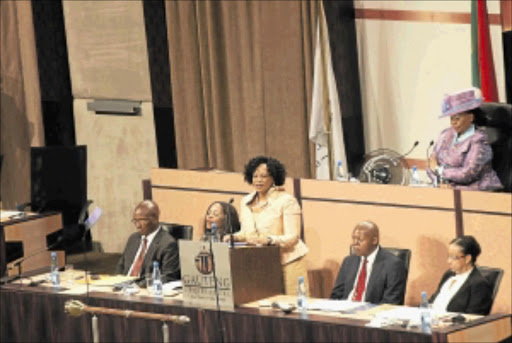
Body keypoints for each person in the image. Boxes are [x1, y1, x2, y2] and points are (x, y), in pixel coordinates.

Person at [225, 156, 309, 295]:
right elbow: (248, 233)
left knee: (293, 306)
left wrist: (268, 240)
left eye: (264, 176)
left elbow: (293, 237)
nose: (258, 180)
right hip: (261, 263)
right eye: (255, 176)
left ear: (274, 178)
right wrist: (233, 238)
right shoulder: (246, 201)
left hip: (288, 261)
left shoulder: (287, 201)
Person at [428, 87, 503, 191]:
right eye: (451, 118)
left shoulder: (479, 140)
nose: (453, 122)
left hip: (477, 192)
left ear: (471, 117)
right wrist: (440, 182)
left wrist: (439, 171)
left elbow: (467, 174)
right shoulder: (444, 135)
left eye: (457, 118)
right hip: (447, 189)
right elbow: (431, 163)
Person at [330, 221, 407, 305]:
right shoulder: (348, 262)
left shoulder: (393, 265)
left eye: (360, 239)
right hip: (344, 313)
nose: (354, 243)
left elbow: (391, 303)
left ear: (374, 240)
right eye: (353, 239)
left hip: (371, 315)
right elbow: (336, 295)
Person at [116, 200, 180, 285]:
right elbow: (120, 267)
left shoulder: (168, 244)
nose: (137, 225)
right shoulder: (133, 239)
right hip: (123, 288)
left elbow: (168, 277)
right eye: (135, 221)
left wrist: (137, 285)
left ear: (155, 219)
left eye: (142, 220)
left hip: (144, 290)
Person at [430, 236, 492, 315]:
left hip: (452, 326)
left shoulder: (479, 284)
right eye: (448, 256)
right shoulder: (448, 275)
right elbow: (433, 301)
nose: (448, 261)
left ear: (467, 259)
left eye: (453, 257)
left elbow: (473, 317)